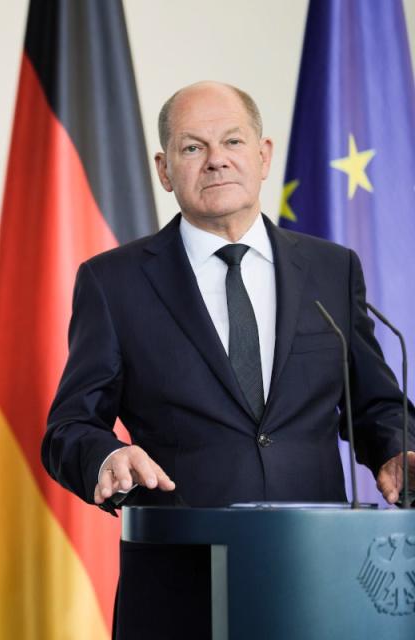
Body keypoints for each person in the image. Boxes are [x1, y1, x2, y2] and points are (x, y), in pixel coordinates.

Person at [42, 81, 415, 638]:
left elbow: (374, 403)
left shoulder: (331, 269)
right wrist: (104, 460)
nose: (217, 160)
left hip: (321, 578)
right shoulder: (113, 282)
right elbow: (68, 428)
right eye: (193, 148)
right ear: (165, 171)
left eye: (232, 142)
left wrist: (396, 449)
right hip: (179, 587)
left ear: (262, 156)